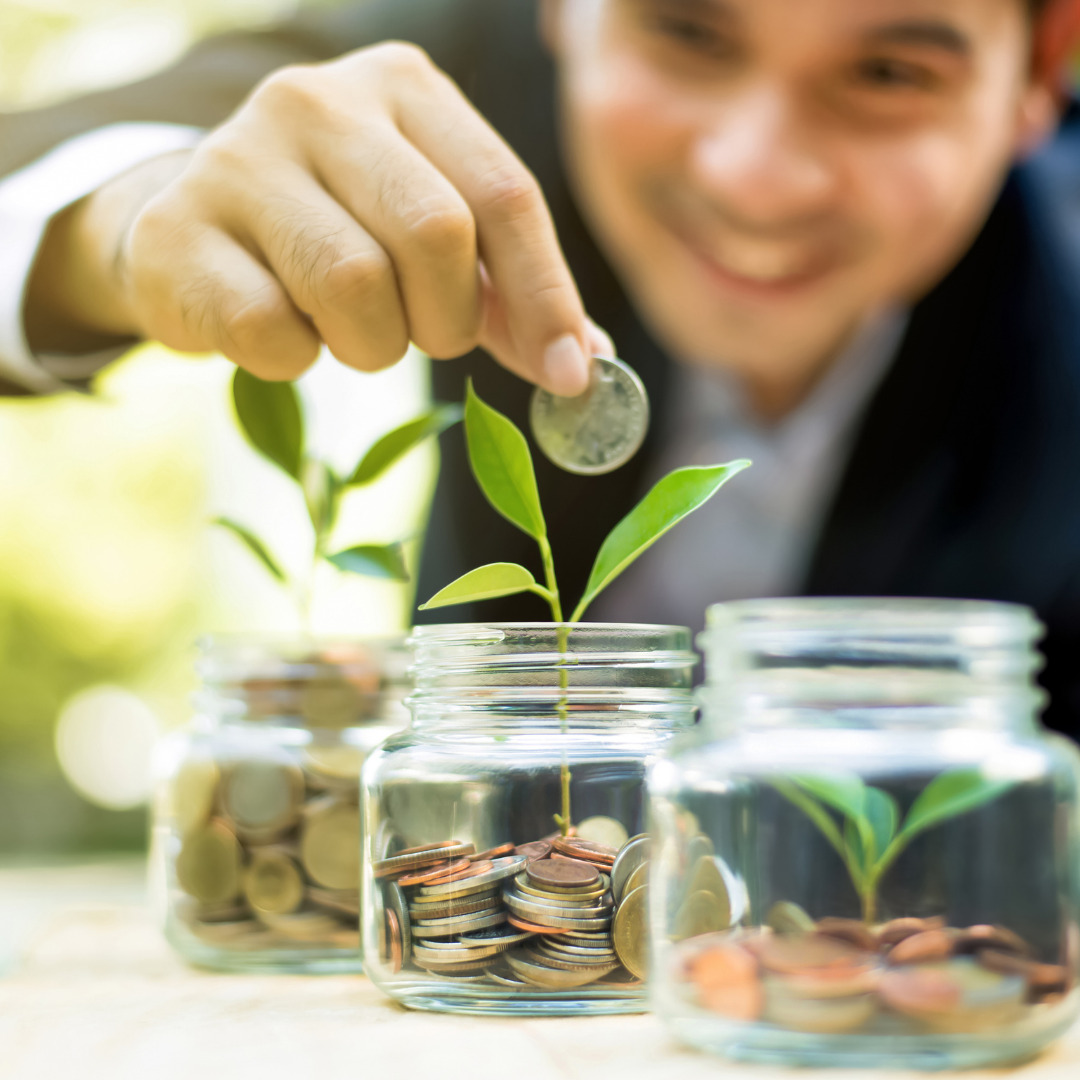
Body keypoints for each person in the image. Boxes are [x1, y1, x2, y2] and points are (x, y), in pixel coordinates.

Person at [1, 0, 1080, 735]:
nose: (758, 178)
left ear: (1041, 69)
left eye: (889, 73)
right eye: (688, 33)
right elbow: (109, 144)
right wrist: (128, 216)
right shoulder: (463, 75)